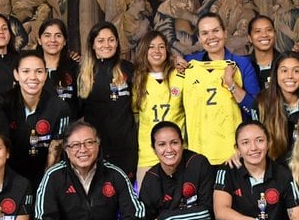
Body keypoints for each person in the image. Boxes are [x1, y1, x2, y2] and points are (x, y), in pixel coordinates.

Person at [3, 50, 71, 220]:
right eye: (27, 71)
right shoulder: (4, 102)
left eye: (39, 71)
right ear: (16, 75)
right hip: (9, 176)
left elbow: (56, 148)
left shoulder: (58, 106)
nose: (33, 77)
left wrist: (45, 184)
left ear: (46, 75)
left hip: (43, 174)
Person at [183, 13, 260, 164]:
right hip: (199, 153)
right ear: (199, 38)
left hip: (233, 155)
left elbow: (255, 110)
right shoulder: (190, 64)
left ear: (225, 33)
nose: (211, 37)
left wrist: (232, 84)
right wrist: (175, 61)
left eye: (216, 31)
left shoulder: (242, 64)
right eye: (205, 33)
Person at [78, 21, 137, 178]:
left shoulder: (129, 69)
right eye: (100, 40)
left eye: (111, 40)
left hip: (125, 148)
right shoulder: (82, 73)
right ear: (93, 44)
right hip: (94, 149)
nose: (106, 45)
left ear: (117, 43)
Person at [131, 31, 186, 175]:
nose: (157, 51)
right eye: (151, 47)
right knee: (147, 196)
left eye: (161, 47)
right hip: (148, 154)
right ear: (144, 50)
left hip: (177, 153)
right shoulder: (137, 79)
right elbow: (135, 115)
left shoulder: (180, 75)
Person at [255, 52, 299, 162]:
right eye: (284, 71)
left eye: (296, 71)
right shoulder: (262, 102)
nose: (290, 76)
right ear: (276, 74)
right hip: (274, 167)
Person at [38, 18, 80, 110]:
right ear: (39, 40)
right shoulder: (31, 69)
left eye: (58, 35)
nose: (53, 40)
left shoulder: (76, 69)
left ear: (64, 41)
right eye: (47, 35)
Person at [246, 15, 278, 90]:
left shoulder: (285, 62)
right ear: (250, 38)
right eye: (258, 31)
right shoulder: (244, 65)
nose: (264, 35)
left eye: (269, 30)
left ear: (275, 34)